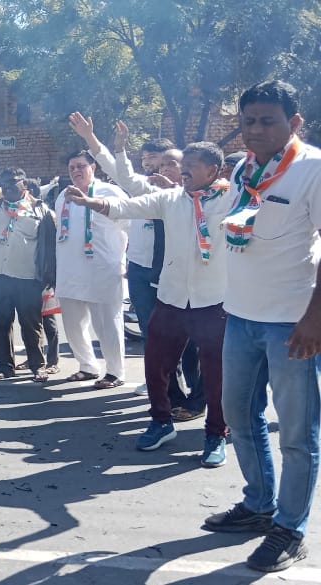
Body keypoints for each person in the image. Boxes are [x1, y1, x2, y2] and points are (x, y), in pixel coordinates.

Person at [201, 80, 321, 573]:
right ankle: (258, 505)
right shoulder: (243, 168)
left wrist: (314, 318)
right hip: (241, 317)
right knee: (237, 414)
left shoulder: (313, 168)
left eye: (267, 121)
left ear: (294, 122)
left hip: (292, 324)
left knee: (297, 434)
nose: (254, 130)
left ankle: (290, 530)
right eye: (247, 121)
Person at [65, 142, 232, 467]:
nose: (184, 172)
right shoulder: (171, 199)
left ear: (212, 171)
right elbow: (128, 207)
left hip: (213, 301)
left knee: (216, 374)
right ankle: (161, 422)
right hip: (171, 298)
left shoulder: (231, 199)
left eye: (192, 166)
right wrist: (90, 202)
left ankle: (216, 434)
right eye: (184, 165)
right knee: (156, 365)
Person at [0, 168, 56, 382]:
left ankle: (38, 366)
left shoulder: (40, 210)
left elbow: (50, 246)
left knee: (31, 325)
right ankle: (6, 367)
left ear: (24, 184)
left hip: (28, 278)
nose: (7, 187)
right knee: (1, 324)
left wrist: (50, 274)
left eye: (12, 182)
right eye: (3, 183)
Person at [54, 151, 129, 388]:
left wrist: (128, 261)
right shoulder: (63, 197)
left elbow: (131, 226)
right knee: (73, 324)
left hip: (103, 270)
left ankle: (115, 372)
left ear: (93, 167)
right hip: (69, 271)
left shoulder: (111, 193)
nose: (76, 171)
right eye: (71, 168)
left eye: (81, 166)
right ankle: (87, 366)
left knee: (107, 324)